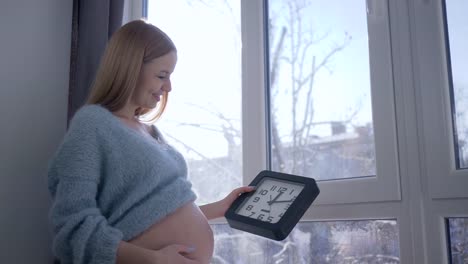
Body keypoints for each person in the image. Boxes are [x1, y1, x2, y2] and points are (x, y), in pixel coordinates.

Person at [47, 19, 254, 264]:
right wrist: (153, 259)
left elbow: (156, 211)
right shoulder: (92, 124)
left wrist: (219, 208)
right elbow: (73, 224)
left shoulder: (150, 132)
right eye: (162, 75)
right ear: (130, 68)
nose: (168, 87)